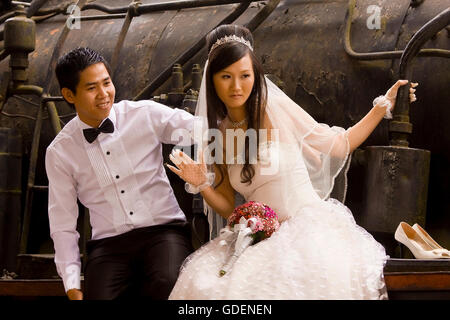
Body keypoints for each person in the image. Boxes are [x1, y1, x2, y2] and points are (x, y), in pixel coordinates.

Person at [166, 24, 418, 299]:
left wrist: (383, 106)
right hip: (259, 237)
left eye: (245, 75)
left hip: (306, 228)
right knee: (206, 287)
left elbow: (340, 144)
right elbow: (228, 206)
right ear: (212, 80)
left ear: (255, 75)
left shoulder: (274, 109)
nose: (236, 86)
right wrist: (202, 183)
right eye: (226, 76)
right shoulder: (218, 134)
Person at [46, 47, 195, 300]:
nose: (104, 94)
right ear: (69, 95)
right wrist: (71, 285)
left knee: (168, 282)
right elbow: (62, 223)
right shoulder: (60, 151)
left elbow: (203, 130)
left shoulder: (144, 114)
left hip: (163, 231)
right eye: (92, 88)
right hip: (109, 245)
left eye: (107, 83)